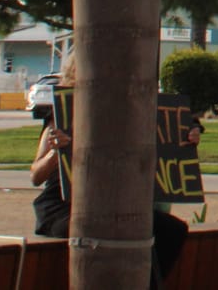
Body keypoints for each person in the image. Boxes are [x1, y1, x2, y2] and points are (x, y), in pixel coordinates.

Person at [28, 53, 190, 288]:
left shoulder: (126, 114)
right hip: (62, 206)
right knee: (103, 228)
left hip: (108, 203)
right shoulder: (61, 115)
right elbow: (36, 175)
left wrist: (184, 137)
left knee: (171, 229)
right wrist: (56, 152)